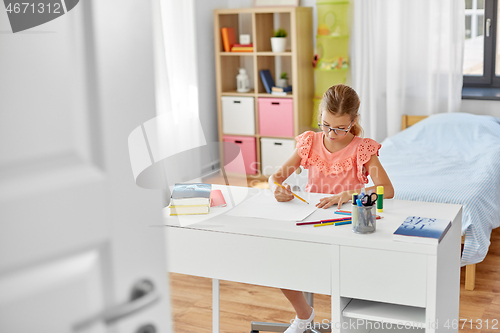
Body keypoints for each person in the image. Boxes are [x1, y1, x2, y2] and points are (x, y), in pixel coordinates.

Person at [267, 84, 394, 333]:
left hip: (347, 224)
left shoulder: (362, 148)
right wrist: (276, 188)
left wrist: (349, 194)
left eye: (340, 127)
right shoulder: (309, 142)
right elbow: (275, 178)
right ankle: (304, 314)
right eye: (326, 125)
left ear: (354, 121)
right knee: (278, 261)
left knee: (342, 275)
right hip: (311, 219)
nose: (332, 133)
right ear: (320, 116)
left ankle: (344, 323)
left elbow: (386, 190)